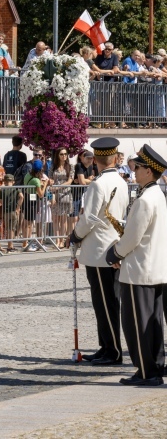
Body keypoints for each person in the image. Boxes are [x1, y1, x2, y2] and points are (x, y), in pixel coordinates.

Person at [106, 145, 167, 386]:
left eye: (139, 167)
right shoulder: (158, 194)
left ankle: (146, 371)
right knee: (153, 323)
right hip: (155, 269)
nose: (134, 170)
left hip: (139, 271)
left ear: (149, 172)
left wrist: (115, 253)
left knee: (137, 325)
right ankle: (155, 365)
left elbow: (133, 238)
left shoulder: (145, 199)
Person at [67, 137, 129, 366]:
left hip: (100, 250)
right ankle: (106, 346)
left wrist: (75, 235)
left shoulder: (98, 184)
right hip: (112, 246)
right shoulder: (121, 181)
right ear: (114, 158)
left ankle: (113, 351)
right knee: (105, 302)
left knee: (105, 303)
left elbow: (89, 218)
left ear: (96, 160)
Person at [49, 148, 75, 249]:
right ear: (57, 155)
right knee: (55, 218)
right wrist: (52, 191)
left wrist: (57, 187)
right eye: (61, 154)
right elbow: (50, 179)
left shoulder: (70, 166)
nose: (64, 156)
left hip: (65, 194)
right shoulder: (53, 166)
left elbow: (70, 181)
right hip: (55, 195)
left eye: (65, 154)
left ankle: (62, 239)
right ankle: (57, 240)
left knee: (64, 218)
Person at [22, 160, 47, 252]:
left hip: (26, 198)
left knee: (26, 223)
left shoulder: (28, 175)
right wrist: (44, 185)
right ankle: (26, 244)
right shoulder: (36, 180)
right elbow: (41, 194)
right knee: (29, 224)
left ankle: (25, 243)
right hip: (32, 202)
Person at [0, 174, 24, 253]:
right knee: (12, 229)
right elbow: (21, 197)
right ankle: (10, 245)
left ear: (4, 181)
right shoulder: (16, 189)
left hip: (6, 212)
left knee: (8, 228)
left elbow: (1, 201)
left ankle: (10, 245)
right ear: (13, 182)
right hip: (14, 210)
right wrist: (18, 207)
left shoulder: (2, 190)